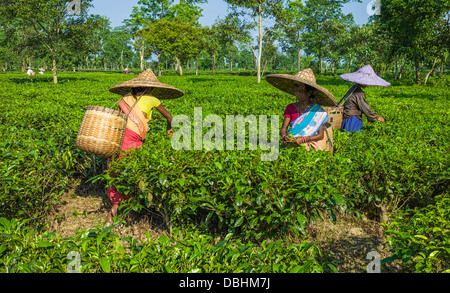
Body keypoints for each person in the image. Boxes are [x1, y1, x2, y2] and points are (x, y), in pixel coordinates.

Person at [105, 69, 184, 226]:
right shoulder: (152, 99)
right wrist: (169, 128)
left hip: (118, 139)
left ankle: (112, 214)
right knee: (134, 172)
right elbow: (169, 117)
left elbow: (117, 119)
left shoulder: (125, 98)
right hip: (133, 141)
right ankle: (132, 215)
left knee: (115, 171)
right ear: (150, 87)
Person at [266, 68, 338, 151]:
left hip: (308, 145)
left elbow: (320, 135)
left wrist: (303, 139)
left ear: (309, 92)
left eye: (300, 91)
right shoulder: (290, 108)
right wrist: (284, 137)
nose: (297, 94)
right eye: (296, 91)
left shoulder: (317, 112)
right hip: (290, 143)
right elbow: (283, 128)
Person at [339, 65, 388, 132]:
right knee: (354, 138)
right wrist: (376, 117)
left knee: (347, 137)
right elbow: (365, 108)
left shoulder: (353, 88)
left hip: (346, 118)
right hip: (352, 119)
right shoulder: (359, 93)